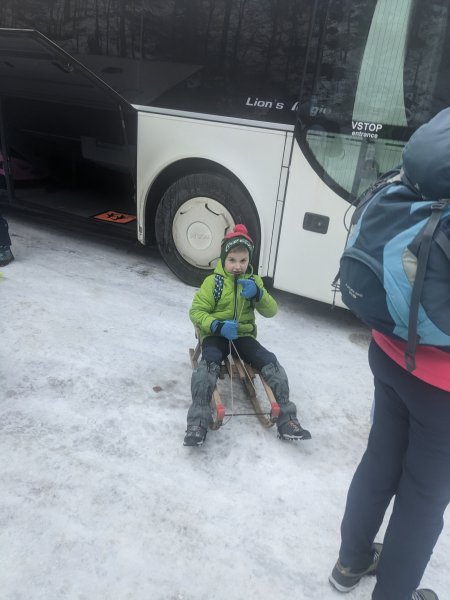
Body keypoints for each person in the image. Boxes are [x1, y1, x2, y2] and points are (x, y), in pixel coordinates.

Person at [329, 109, 450, 600]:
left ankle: (350, 562)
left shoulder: (431, 155)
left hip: (388, 348)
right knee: (423, 497)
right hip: (442, 387)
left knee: (380, 458)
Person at [183, 223, 311, 447]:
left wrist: (258, 294)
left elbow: (271, 311)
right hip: (217, 334)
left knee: (270, 362)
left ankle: (287, 419)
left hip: (242, 336)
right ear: (224, 259)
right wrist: (217, 325)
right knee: (208, 364)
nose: (237, 266)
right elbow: (196, 312)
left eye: (243, 261)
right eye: (232, 260)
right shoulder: (214, 283)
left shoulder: (253, 282)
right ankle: (198, 421)